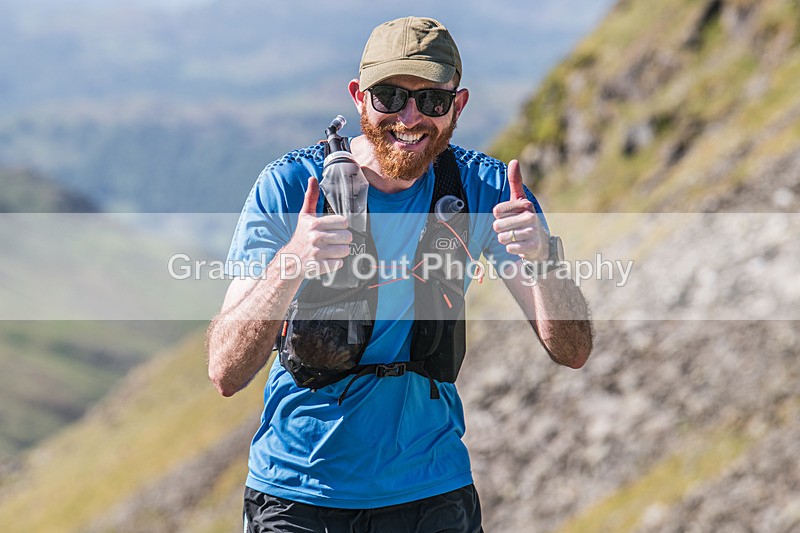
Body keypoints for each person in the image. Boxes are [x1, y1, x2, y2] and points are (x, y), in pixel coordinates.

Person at [206, 16, 593, 533]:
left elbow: (571, 350)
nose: (411, 118)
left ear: (458, 105)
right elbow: (225, 371)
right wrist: (293, 258)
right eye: (390, 96)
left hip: (432, 492)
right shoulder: (291, 185)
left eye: (432, 101)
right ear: (358, 97)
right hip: (298, 492)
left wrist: (544, 260)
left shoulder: (490, 190)